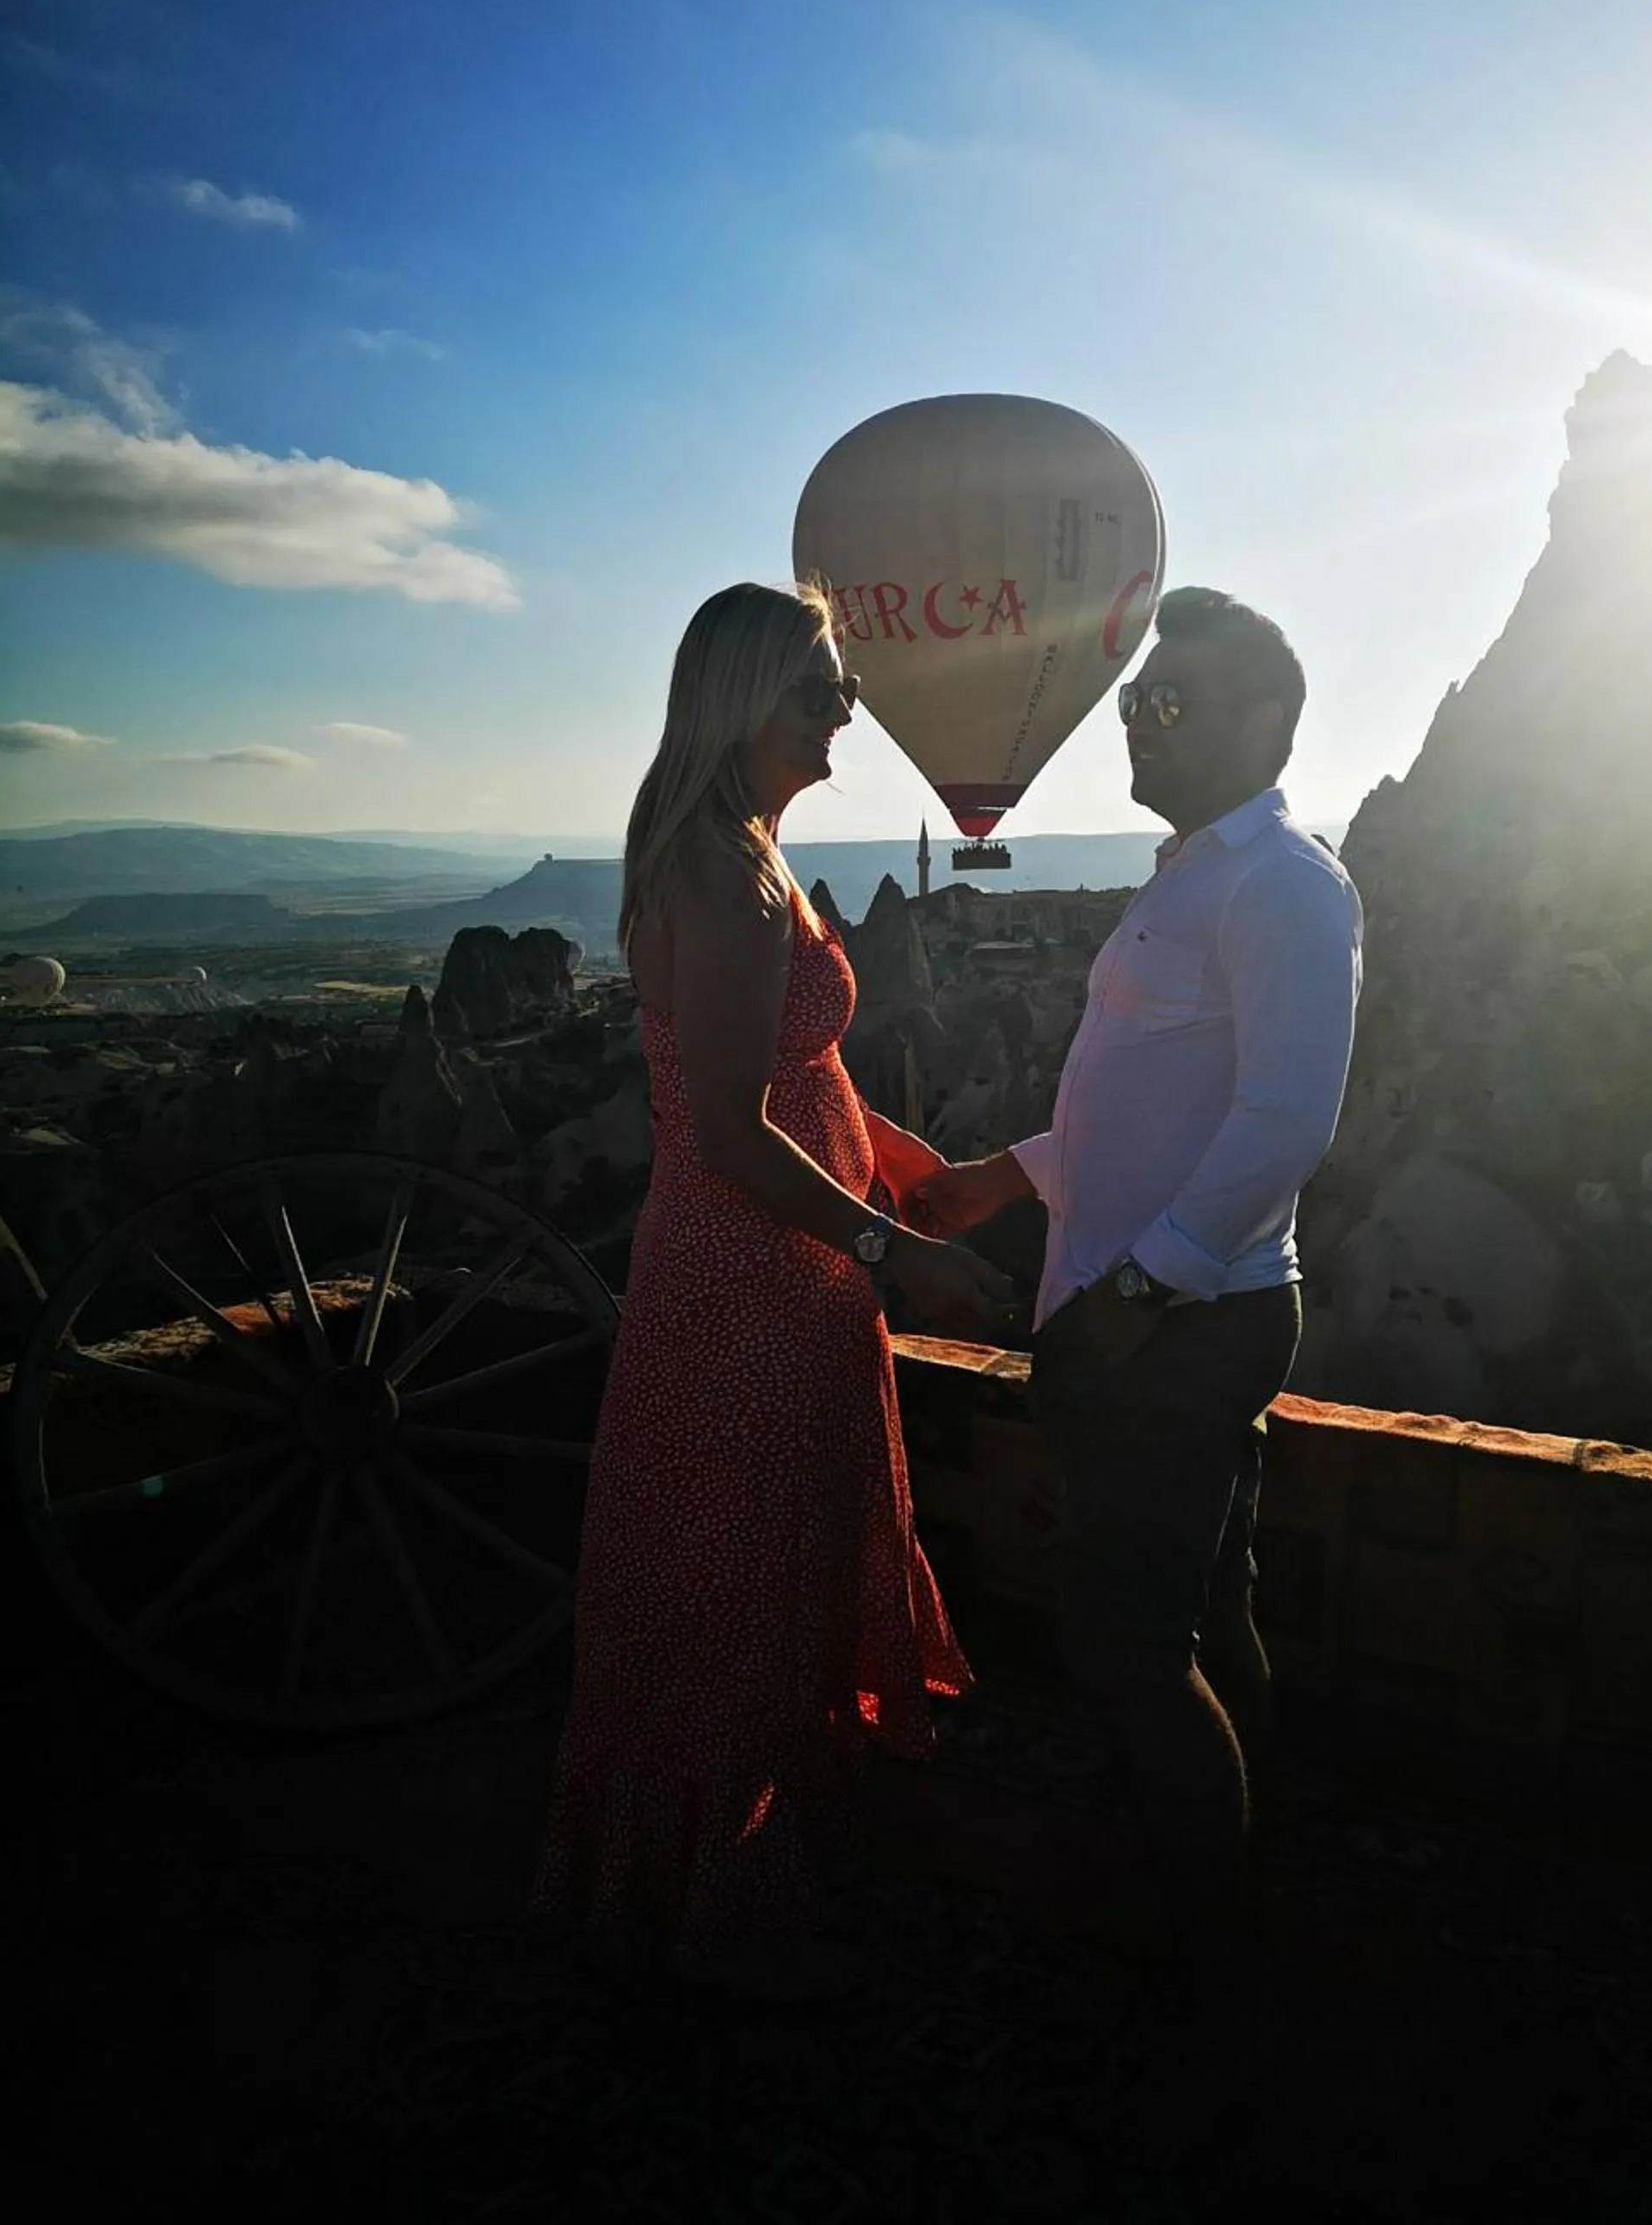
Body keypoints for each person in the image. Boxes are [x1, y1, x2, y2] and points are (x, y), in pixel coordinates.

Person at [915, 584, 1363, 2115]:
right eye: (1133, 702)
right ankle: (1227, 1887)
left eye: (1166, 706)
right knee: (1204, 1610)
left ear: (1259, 725)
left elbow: (1285, 1123)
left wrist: (1137, 1292)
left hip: (1173, 1326)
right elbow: (1149, 1098)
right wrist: (1010, 1174)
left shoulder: (1285, 886)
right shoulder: (1190, 875)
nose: (1134, 721)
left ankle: (1201, 1970)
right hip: (1157, 1312)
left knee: (1124, 1644)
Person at [535, 580, 1015, 2002]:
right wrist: (895, 1251)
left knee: (754, 1566)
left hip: (772, 1265)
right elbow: (735, 1130)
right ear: (744, 704)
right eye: (820, 689)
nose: (845, 710)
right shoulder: (719, 877)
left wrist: (916, 1167)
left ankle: (723, 1871)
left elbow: (811, 1082)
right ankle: (704, 1907)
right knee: (732, 1582)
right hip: (750, 1276)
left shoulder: (742, 850)